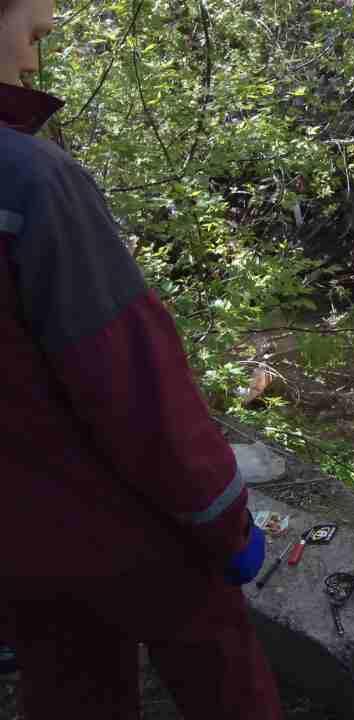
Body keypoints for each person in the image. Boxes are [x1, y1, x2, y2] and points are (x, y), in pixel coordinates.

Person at [0, 1, 282, 717]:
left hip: (19, 550)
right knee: (226, 678)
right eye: (33, 21)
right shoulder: (32, 181)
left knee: (67, 695)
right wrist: (225, 519)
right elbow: (136, 386)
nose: (46, 36)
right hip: (121, 532)